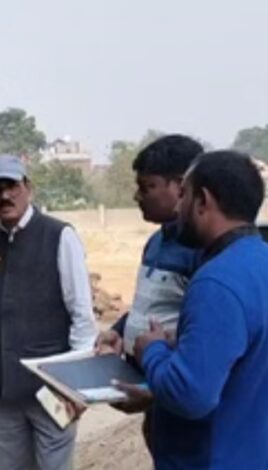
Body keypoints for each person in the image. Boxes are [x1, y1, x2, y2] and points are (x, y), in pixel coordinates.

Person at [119, 151, 268, 469]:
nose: (177, 208)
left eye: (183, 195)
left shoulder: (216, 282)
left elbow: (189, 396)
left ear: (203, 201)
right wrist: (181, 351)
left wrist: (151, 351)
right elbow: (244, 374)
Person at [0, 155, 98, 470]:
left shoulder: (59, 236)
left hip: (51, 391)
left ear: (28, 187)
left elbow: (82, 315)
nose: (4, 196)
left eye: (11, 186)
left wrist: (74, 386)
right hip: (2, 394)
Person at [95, 135, 204, 446]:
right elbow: (153, 306)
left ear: (181, 186)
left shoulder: (203, 252)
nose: (137, 196)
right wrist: (118, 331)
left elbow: (202, 335)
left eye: (147, 187)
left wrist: (159, 391)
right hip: (154, 399)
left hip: (180, 397)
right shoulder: (156, 243)